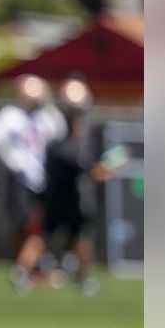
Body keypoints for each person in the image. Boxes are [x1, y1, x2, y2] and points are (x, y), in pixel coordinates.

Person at [36, 78, 126, 296]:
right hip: (64, 199)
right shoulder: (63, 145)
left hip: (70, 198)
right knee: (50, 238)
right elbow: (93, 171)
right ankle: (29, 271)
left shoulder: (79, 142)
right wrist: (110, 168)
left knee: (77, 239)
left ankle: (80, 276)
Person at [0, 74, 64, 294]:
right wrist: (11, 159)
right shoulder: (11, 116)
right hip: (21, 180)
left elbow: (59, 129)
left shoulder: (44, 116)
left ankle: (26, 269)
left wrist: (47, 101)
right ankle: (22, 269)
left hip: (41, 180)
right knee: (25, 227)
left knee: (37, 229)